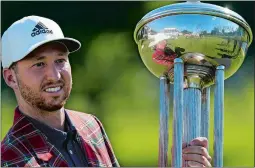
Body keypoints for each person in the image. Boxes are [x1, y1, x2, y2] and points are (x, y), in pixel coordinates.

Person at [1, 15, 212, 167]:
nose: (55, 75)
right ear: (11, 77)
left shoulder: (91, 126)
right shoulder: (10, 159)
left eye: (60, 61)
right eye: (39, 64)